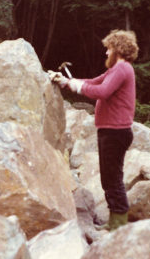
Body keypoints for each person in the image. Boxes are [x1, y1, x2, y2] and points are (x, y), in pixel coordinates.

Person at [49, 29, 138, 231]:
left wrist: (72, 84)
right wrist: (66, 82)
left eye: (108, 49)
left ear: (118, 49)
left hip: (115, 132)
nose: (106, 53)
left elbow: (101, 91)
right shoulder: (118, 69)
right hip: (112, 130)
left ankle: (118, 226)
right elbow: (94, 82)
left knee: (112, 178)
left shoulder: (122, 69)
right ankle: (117, 222)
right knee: (110, 177)